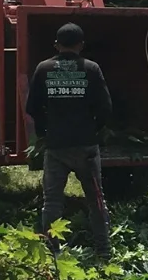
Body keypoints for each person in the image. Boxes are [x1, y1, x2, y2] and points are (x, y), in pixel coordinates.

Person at [25, 23, 114, 259]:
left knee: (52, 201)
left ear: (56, 45)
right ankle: (103, 251)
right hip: (86, 146)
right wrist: (93, 130)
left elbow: (32, 107)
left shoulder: (44, 68)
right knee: (96, 199)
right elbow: (106, 108)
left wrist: (45, 132)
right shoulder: (92, 69)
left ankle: (52, 253)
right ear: (81, 46)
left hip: (56, 146)